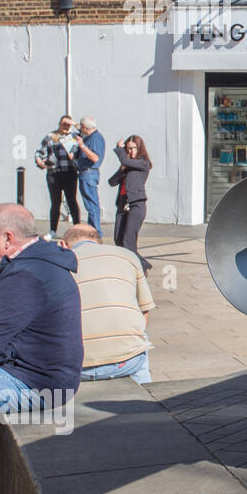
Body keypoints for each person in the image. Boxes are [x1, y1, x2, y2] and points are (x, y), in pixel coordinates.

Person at [0, 204, 83, 417]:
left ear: (7, 238)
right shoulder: (30, 263)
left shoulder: (26, 276)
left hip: (35, 383)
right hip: (26, 373)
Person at [61, 225, 155, 384]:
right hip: (127, 362)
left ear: (63, 245)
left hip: (75, 366)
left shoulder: (59, 263)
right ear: (99, 242)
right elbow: (144, 311)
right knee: (141, 336)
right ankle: (147, 393)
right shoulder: (128, 256)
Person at [109, 135, 152, 273]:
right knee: (118, 239)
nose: (131, 151)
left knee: (129, 240)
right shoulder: (126, 166)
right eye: (128, 148)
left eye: (134, 148)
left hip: (136, 204)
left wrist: (119, 149)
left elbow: (124, 159)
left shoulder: (143, 163)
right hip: (122, 205)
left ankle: (139, 268)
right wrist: (121, 169)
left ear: (139, 149)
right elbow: (112, 182)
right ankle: (140, 265)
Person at [35, 115, 82, 240]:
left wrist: (75, 123)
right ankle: (53, 230)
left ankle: (77, 228)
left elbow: (86, 133)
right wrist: (40, 162)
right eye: (64, 124)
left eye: (68, 124)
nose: (66, 126)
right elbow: (40, 152)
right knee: (55, 202)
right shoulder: (51, 137)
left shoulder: (74, 137)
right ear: (59, 124)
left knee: (72, 201)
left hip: (70, 173)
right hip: (54, 173)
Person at [73, 116, 106, 238]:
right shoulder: (91, 137)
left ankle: (96, 233)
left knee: (92, 205)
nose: (80, 129)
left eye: (82, 127)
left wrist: (82, 146)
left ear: (86, 128)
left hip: (89, 173)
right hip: (86, 173)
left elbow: (95, 157)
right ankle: (93, 231)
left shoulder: (95, 139)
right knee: (91, 204)